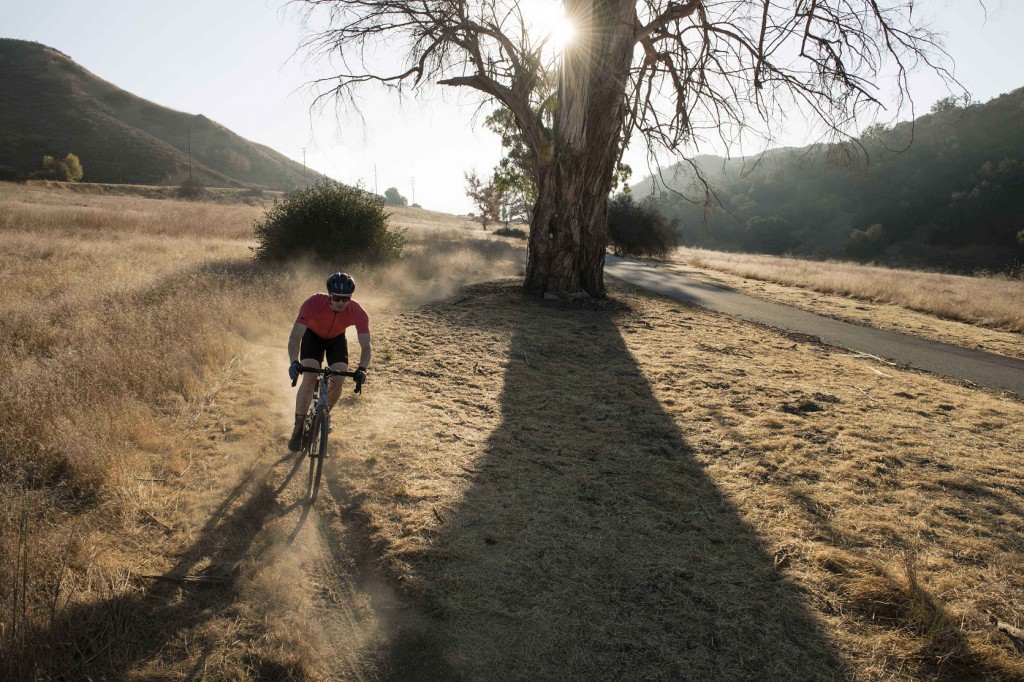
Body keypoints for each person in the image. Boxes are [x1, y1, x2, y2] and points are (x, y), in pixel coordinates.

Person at [287, 272, 371, 451]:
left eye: (345, 298)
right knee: (309, 375)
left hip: (336, 340)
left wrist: (362, 368)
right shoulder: (313, 303)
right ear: (329, 295)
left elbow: (366, 346)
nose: (341, 302)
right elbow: (295, 338)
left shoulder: (358, 311)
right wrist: (294, 361)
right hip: (313, 337)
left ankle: (325, 414)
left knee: (339, 378)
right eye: (337, 298)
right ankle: (298, 427)